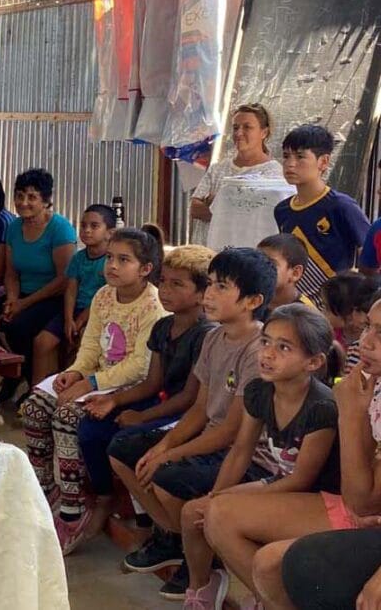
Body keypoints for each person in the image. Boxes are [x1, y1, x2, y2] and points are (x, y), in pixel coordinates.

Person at [106, 247, 275, 600]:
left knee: (167, 477)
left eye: (222, 287)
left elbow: (230, 431)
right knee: (122, 450)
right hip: (207, 437)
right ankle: (174, 539)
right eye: (210, 284)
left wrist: (169, 455)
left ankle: (201, 557)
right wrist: (164, 446)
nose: (209, 294)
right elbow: (199, 410)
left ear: (252, 300)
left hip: (240, 453)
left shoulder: (258, 349)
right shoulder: (214, 336)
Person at [179, 304, 340, 609]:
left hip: (315, 494)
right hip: (280, 481)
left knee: (219, 514)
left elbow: (303, 479)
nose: (267, 353)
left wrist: (230, 501)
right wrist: (218, 493)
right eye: (265, 341)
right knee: (194, 512)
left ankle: (269, 597)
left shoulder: (321, 407)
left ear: (313, 361)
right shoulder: (259, 391)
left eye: (283, 347)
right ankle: (203, 588)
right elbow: (241, 451)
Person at [21, 227, 168, 554]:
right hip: (97, 377)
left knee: (66, 414)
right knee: (34, 406)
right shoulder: (104, 295)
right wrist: (74, 372)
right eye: (110, 258)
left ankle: (73, 510)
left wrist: (90, 384)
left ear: (145, 269)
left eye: (123, 260)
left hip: (131, 387)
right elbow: (90, 347)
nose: (112, 266)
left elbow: (141, 367)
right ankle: (45, 489)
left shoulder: (154, 306)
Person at [78, 244, 217, 551]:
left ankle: (155, 525)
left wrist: (142, 417)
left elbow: (189, 399)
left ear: (202, 293)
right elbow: (153, 382)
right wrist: (115, 401)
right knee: (92, 428)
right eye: (164, 281)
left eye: (177, 284)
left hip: (185, 414)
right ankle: (116, 503)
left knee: (128, 440)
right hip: (162, 403)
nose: (165, 290)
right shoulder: (164, 326)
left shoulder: (206, 334)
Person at [251, 298, 381, 608]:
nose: (366, 342)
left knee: (301, 564)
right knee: (266, 562)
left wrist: (349, 414)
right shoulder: (373, 388)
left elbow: (361, 503)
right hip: (365, 510)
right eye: (367, 328)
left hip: (359, 508)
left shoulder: (329, 403)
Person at [1, 168, 78, 402]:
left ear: (45, 201)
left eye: (32, 197)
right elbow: (11, 272)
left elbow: (64, 279)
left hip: (54, 297)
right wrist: (13, 299)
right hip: (23, 295)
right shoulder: (14, 227)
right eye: (19, 195)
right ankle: (15, 374)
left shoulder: (60, 228)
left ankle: (36, 388)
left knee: (20, 326)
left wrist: (23, 304)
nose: (24, 202)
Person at [274, 124, 370, 303]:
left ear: (323, 162)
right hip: (298, 304)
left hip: (336, 305)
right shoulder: (282, 210)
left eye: (300, 156)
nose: (290, 164)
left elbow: (370, 253)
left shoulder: (342, 206)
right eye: (286, 156)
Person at [32, 204, 115, 382]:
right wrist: (69, 318)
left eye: (94, 226)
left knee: (82, 346)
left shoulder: (111, 261)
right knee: (42, 342)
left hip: (97, 314)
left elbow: (104, 296)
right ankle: (37, 393)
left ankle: (74, 394)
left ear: (110, 232)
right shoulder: (78, 257)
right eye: (83, 225)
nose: (86, 230)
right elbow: (71, 289)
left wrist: (80, 320)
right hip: (73, 311)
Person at [190, 103, 284, 246]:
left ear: (264, 132)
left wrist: (217, 204)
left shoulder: (273, 173)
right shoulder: (217, 169)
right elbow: (195, 208)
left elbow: (259, 215)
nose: (239, 133)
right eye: (235, 127)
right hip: (211, 252)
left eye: (247, 127)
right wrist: (232, 207)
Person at [257, 233, 313, 311]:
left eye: (270, 263)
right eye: (258, 260)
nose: (260, 267)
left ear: (295, 273)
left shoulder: (306, 315)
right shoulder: (248, 295)